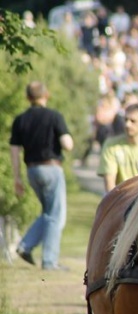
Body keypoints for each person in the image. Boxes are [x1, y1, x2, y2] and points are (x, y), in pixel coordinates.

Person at [9, 82, 74, 271]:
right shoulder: (54, 116)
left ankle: (25, 245)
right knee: (56, 216)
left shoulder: (20, 120)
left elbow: (14, 151)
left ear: (28, 97)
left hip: (31, 171)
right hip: (51, 168)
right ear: (47, 94)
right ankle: (49, 261)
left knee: (48, 213)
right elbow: (67, 144)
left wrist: (17, 178)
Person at [98, 103, 138, 192]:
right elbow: (110, 186)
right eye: (126, 120)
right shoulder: (111, 145)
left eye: (133, 121)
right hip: (121, 197)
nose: (127, 124)